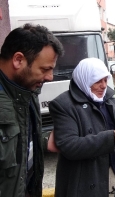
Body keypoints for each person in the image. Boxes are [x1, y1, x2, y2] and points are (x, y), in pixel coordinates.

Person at [49, 58, 115, 197]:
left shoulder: (109, 99)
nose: (104, 86)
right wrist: (114, 136)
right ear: (84, 79)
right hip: (87, 183)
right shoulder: (64, 105)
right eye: (98, 81)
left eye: (105, 80)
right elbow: (69, 146)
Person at [0, 23, 64, 197]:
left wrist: (44, 141)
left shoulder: (28, 93)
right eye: (45, 69)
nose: (50, 77)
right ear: (18, 60)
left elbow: (15, 142)